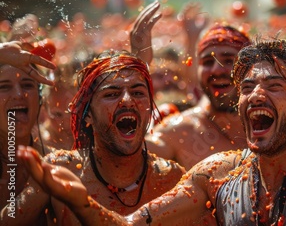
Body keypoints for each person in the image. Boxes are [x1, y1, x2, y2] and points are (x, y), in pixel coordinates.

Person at [18, 39, 286, 225]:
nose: (255, 93)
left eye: (274, 85)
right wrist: (79, 200)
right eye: (248, 87)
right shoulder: (216, 174)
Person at [1, 51, 185, 225]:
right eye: (111, 94)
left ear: (150, 108)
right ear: (87, 114)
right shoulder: (59, 170)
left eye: (138, 92)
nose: (128, 100)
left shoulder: (172, 178)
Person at [146, 23, 250, 169]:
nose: (216, 70)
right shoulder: (179, 132)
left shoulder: (272, 125)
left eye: (228, 60)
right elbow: (128, 161)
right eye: (207, 62)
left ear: (252, 67)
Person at [0, 40, 55, 207]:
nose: (18, 94)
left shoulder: (57, 164)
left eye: (27, 85)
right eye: (4, 87)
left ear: (40, 100)